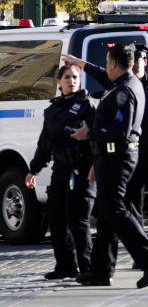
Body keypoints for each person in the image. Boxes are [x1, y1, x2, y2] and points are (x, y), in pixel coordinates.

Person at [64, 45, 148, 269]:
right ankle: (136, 258)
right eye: (136, 58)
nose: (139, 62)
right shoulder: (122, 84)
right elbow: (101, 73)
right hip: (131, 156)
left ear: (144, 62)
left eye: (142, 59)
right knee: (128, 207)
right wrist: (79, 62)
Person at [25, 65, 97, 280]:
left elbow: (100, 137)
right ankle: (65, 265)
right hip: (61, 169)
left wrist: (96, 165)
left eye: (75, 77)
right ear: (59, 81)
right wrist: (34, 170)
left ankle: (87, 267)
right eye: (67, 77)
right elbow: (45, 144)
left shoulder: (89, 105)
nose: (71, 81)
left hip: (83, 168)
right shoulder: (52, 110)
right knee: (56, 218)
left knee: (78, 218)